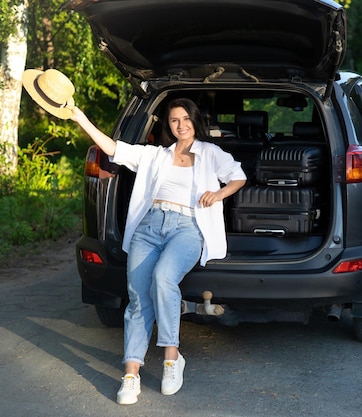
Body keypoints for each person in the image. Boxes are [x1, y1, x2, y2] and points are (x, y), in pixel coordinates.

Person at [70, 98, 247, 405]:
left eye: (185, 119)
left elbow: (238, 176)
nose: (181, 125)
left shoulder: (210, 153)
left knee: (163, 278)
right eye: (174, 120)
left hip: (187, 227)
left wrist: (218, 193)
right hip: (149, 227)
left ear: (195, 120)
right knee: (138, 296)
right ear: (168, 125)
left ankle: (171, 357)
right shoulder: (155, 155)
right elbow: (113, 149)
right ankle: (131, 373)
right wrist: (79, 118)